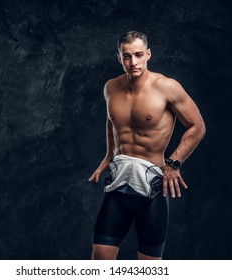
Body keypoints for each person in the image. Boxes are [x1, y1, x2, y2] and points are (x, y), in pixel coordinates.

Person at [88, 31, 206, 260]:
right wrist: (108, 154)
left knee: (148, 267)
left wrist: (174, 163)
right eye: (127, 56)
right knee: (100, 257)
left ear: (148, 55)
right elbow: (111, 120)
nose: (133, 62)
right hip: (118, 184)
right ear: (119, 58)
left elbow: (197, 126)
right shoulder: (110, 87)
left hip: (151, 186)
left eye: (139, 55)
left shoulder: (167, 87)